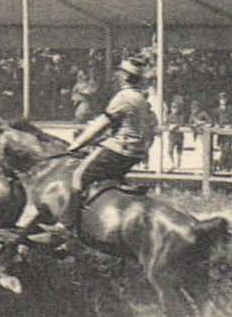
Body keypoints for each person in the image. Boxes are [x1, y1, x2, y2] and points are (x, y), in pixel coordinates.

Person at [51, 58, 156, 237]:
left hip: (119, 149)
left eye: (120, 72)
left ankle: (66, 226)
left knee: (79, 175)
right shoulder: (141, 98)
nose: (116, 75)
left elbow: (101, 124)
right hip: (134, 153)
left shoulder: (123, 97)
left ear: (125, 76)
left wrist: (76, 144)